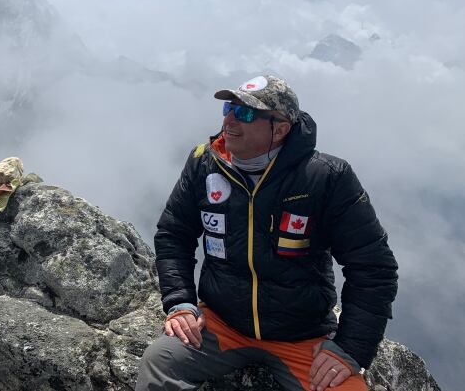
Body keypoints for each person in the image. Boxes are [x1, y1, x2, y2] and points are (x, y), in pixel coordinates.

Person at [136, 75, 398, 391]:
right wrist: (179, 302)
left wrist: (350, 349)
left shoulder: (326, 178)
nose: (230, 119)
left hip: (302, 335)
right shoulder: (204, 163)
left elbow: (373, 268)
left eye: (246, 113)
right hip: (220, 324)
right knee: (158, 362)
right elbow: (173, 234)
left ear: (281, 129)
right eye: (229, 108)